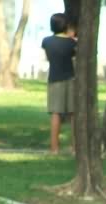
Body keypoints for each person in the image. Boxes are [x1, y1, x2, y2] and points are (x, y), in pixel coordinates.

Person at [41, 13, 77, 154]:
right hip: (71, 79)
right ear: (66, 25)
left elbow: (46, 57)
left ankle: (54, 148)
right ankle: (75, 148)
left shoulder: (46, 41)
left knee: (56, 113)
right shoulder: (72, 43)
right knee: (73, 114)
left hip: (54, 79)